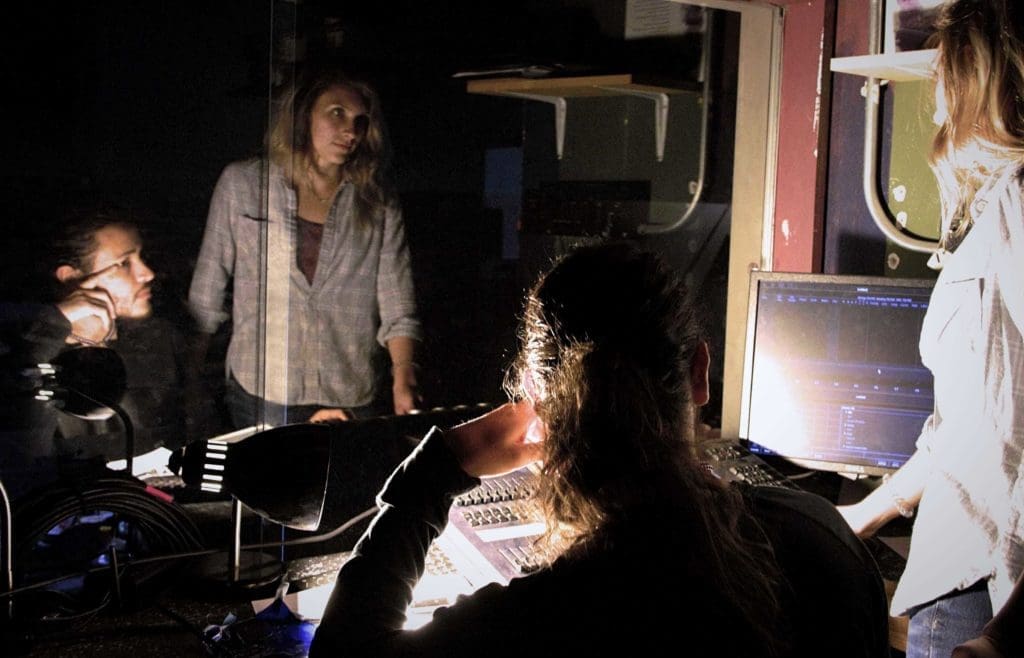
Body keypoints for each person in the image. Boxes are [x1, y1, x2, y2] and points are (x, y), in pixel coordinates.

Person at [309, 243, 888, 658]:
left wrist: (433, 474)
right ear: (700, 374)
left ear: (538, 405)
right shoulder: (825, 538)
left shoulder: (549, 615)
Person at [838, 1, 1024, 656]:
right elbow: (968, 431)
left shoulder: (1018, 207)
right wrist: (864, 513)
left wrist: (1002, 636)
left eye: (944, 82)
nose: (938, 111)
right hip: (957, 568)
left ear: (978, 83)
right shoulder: (997, 212)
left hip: (987, 589)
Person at [188, 65, 422, 429]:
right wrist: (191, 380)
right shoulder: (244, 185)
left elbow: (397, 300)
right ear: (303, 117)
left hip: (348, 388)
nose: (350, 131)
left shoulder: (376, 203)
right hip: (262, 389)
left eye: (360, 121)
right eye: (337, 113)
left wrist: (403, 376)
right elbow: (207, 288)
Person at [0, 209, 192, 493]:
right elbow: (22, 465)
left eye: (141, 258)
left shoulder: (158, 342)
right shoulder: (26, 354)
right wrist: (50, 328)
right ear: (70, 278)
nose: (147, 273)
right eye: (124, 263)